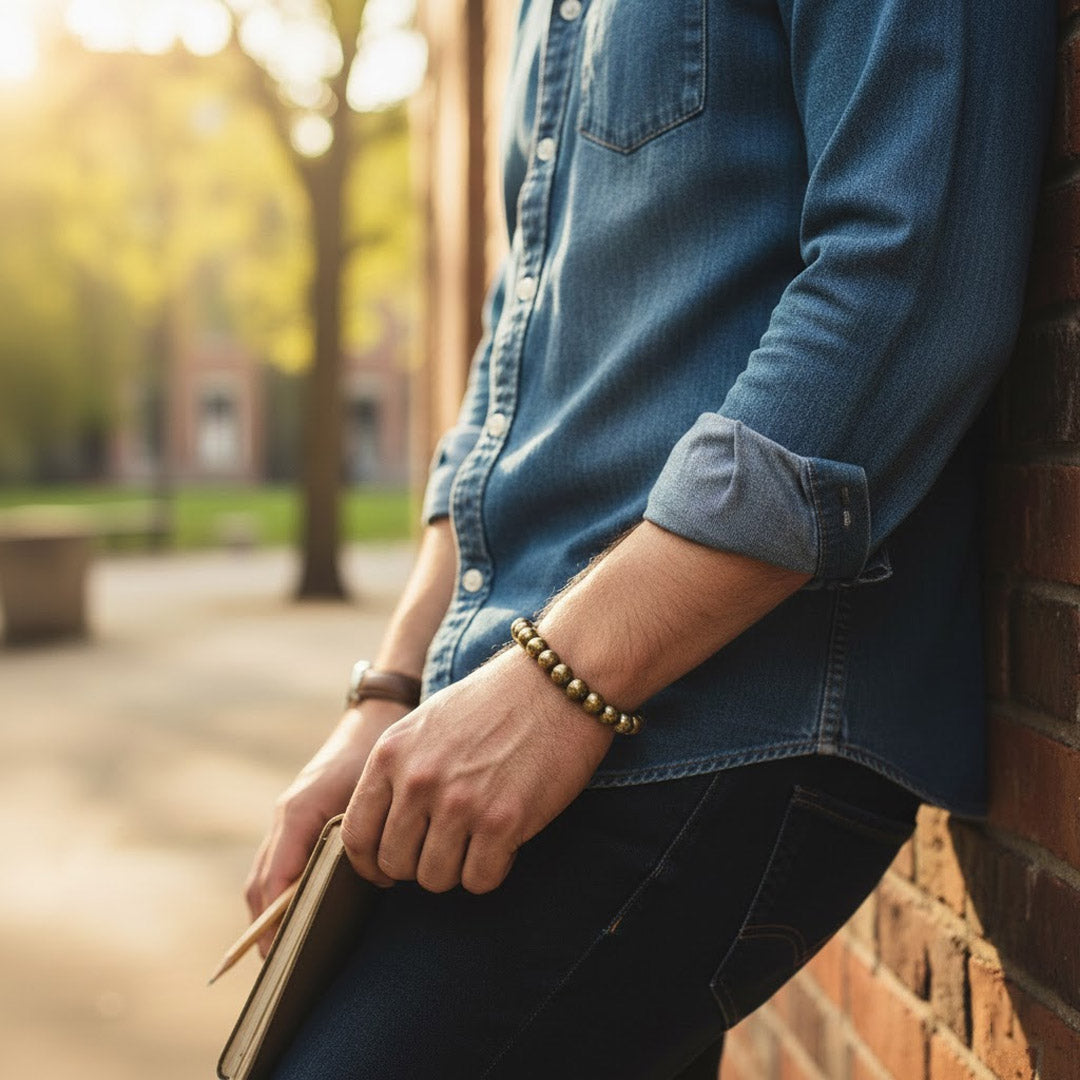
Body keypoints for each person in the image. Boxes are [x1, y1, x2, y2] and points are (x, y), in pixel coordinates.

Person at [246, 1, 1055, 1076]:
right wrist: (389, 692)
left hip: (716, 713)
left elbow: (911, 285)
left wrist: (556, 683)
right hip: (516, 703)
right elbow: (512, 361)